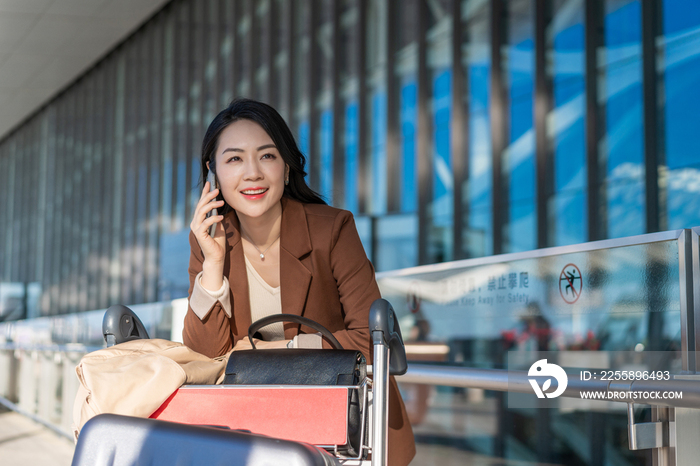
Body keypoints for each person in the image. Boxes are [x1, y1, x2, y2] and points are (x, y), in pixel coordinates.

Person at [182, 98, 415, 465]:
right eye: (234, 159)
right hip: (258, 426)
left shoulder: (332, 229)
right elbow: (208, 356)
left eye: (267, 156)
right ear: (214, 174)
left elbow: (372, 343)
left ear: (287, 167)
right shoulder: (211, 240)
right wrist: (212, 265)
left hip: (344, 426)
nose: (253, 173)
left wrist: (277, 352)